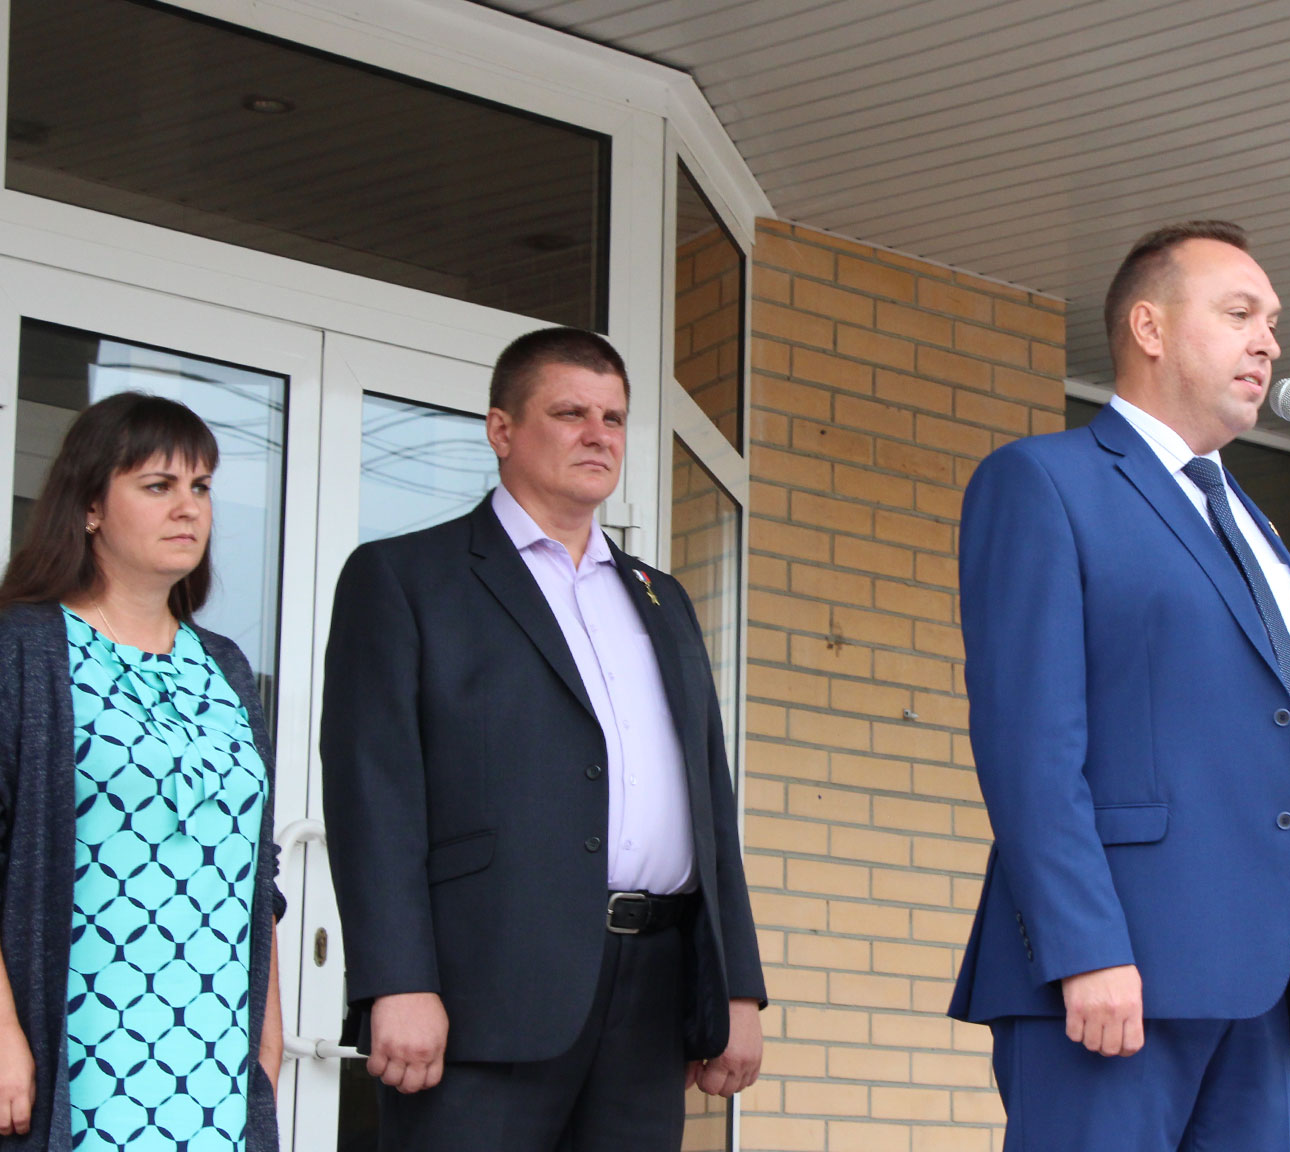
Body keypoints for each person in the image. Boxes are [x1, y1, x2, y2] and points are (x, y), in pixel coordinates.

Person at [947, 220, 1290, 1151]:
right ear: (1150, 328)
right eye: (1240, 314)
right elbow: (1029, 745)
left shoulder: (1253, 523)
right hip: (1115, 972)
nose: (1269, 343)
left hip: (1256, 991)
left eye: (1273, 323)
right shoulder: (1044, 482)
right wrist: (1085, 946)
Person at [320, 327, 764, 1152]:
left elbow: (710, 805)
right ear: (502, 429)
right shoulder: (406, 578)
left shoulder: (661, 599)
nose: (599, 435)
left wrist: (737, 987)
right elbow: (372, 798)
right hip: (484, 993)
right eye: (570, 413)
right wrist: (396, 980)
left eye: (614, 418)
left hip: (652, 995)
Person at [0, 393, 283, 1150]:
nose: (188, 508)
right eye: (158, 486)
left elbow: (258, 871)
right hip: (77, 1054)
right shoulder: (24, 647)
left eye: (201, 487)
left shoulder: (224, 665)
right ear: (91, 506)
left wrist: (269, 1039)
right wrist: (1, 1033)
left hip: (214, 1061)